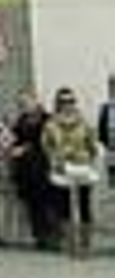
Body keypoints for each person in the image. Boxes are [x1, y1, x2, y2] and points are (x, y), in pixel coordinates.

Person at [43, 87, 100, 258]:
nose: (68, 105)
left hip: (82, 167)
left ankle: (85, 245)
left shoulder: (84, 122)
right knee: (64, 207)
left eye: (71, 101)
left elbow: (92, 145)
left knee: (84, 205)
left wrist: (87, 156)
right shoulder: (51, 124)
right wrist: (56, 158)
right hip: (61, 168)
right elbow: (46, 146)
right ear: (58, 104)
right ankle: (70, 245)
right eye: (64, 101)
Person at [7, 91, 58, 251]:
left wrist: (26, 149)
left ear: (36, 102)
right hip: (26, 171)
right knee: (33, 205)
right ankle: (40, 237)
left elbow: (49, 143)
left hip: (44, 167)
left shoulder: (48, 119)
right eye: (21, 103)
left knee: (48, 203)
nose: (25, 105)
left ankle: (53, 236)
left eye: (28, 102)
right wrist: (11, 146)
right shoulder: (20, 121)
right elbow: (14, 139)